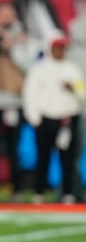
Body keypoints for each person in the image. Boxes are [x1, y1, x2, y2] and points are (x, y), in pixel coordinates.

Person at [0, 1, 39, 203]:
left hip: (15, 100)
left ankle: (17, 190)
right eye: (2, 14)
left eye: (9, 13)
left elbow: (28, 65)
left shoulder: (23, 38)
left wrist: (12, 46)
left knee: (14, 148)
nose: (6, 18)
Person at [23, 37, 86, 204]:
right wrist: (34, 118)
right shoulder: (39, 69)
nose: (60, 51)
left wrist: (73, 88)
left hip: (67, 119)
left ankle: (68, 192)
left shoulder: (72, 69)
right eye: (57, 48)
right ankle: (39, 192)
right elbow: (30, 94)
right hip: (46, 118)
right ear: (50, 49)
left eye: (62, 48)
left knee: (68, 159)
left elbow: (82, 92)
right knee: (43, 157)